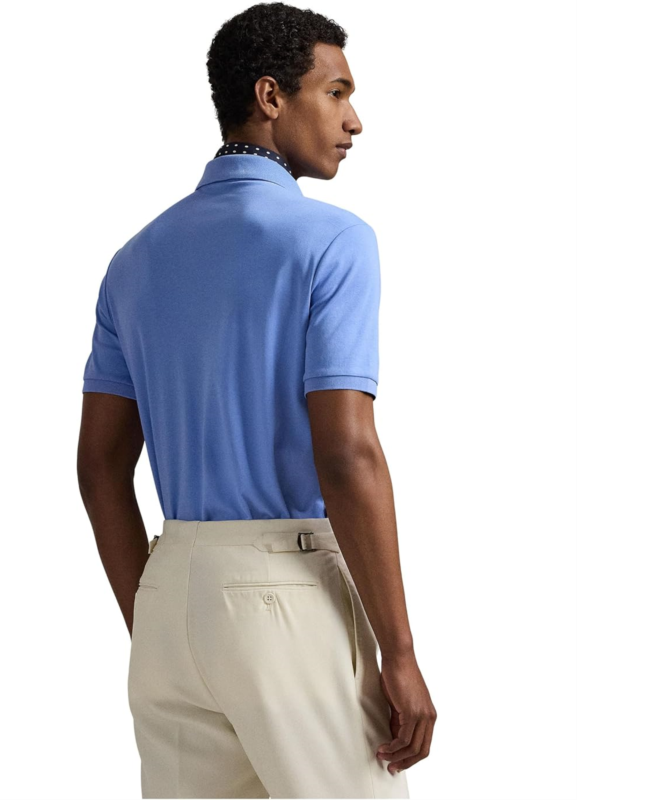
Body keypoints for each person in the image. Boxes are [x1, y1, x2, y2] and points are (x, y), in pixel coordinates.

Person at [76, 3, 436, 797]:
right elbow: (347, 454)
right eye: (336, 92)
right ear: (271, 96)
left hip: (170, 599)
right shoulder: (332, 241)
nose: (354, 120)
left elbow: (99, 466)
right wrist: (400, 653)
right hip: (287, 598)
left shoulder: (134, 261)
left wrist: (158, 614)